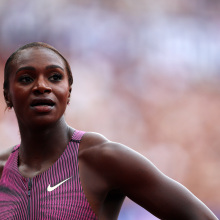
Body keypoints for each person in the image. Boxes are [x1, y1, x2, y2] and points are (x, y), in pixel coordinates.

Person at [0, 42, 218, 220]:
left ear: (68, 93)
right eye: (26, 78)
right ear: (8, 94)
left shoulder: (101, 158)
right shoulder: (2, 169)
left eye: (55, 77)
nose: (42, 86)